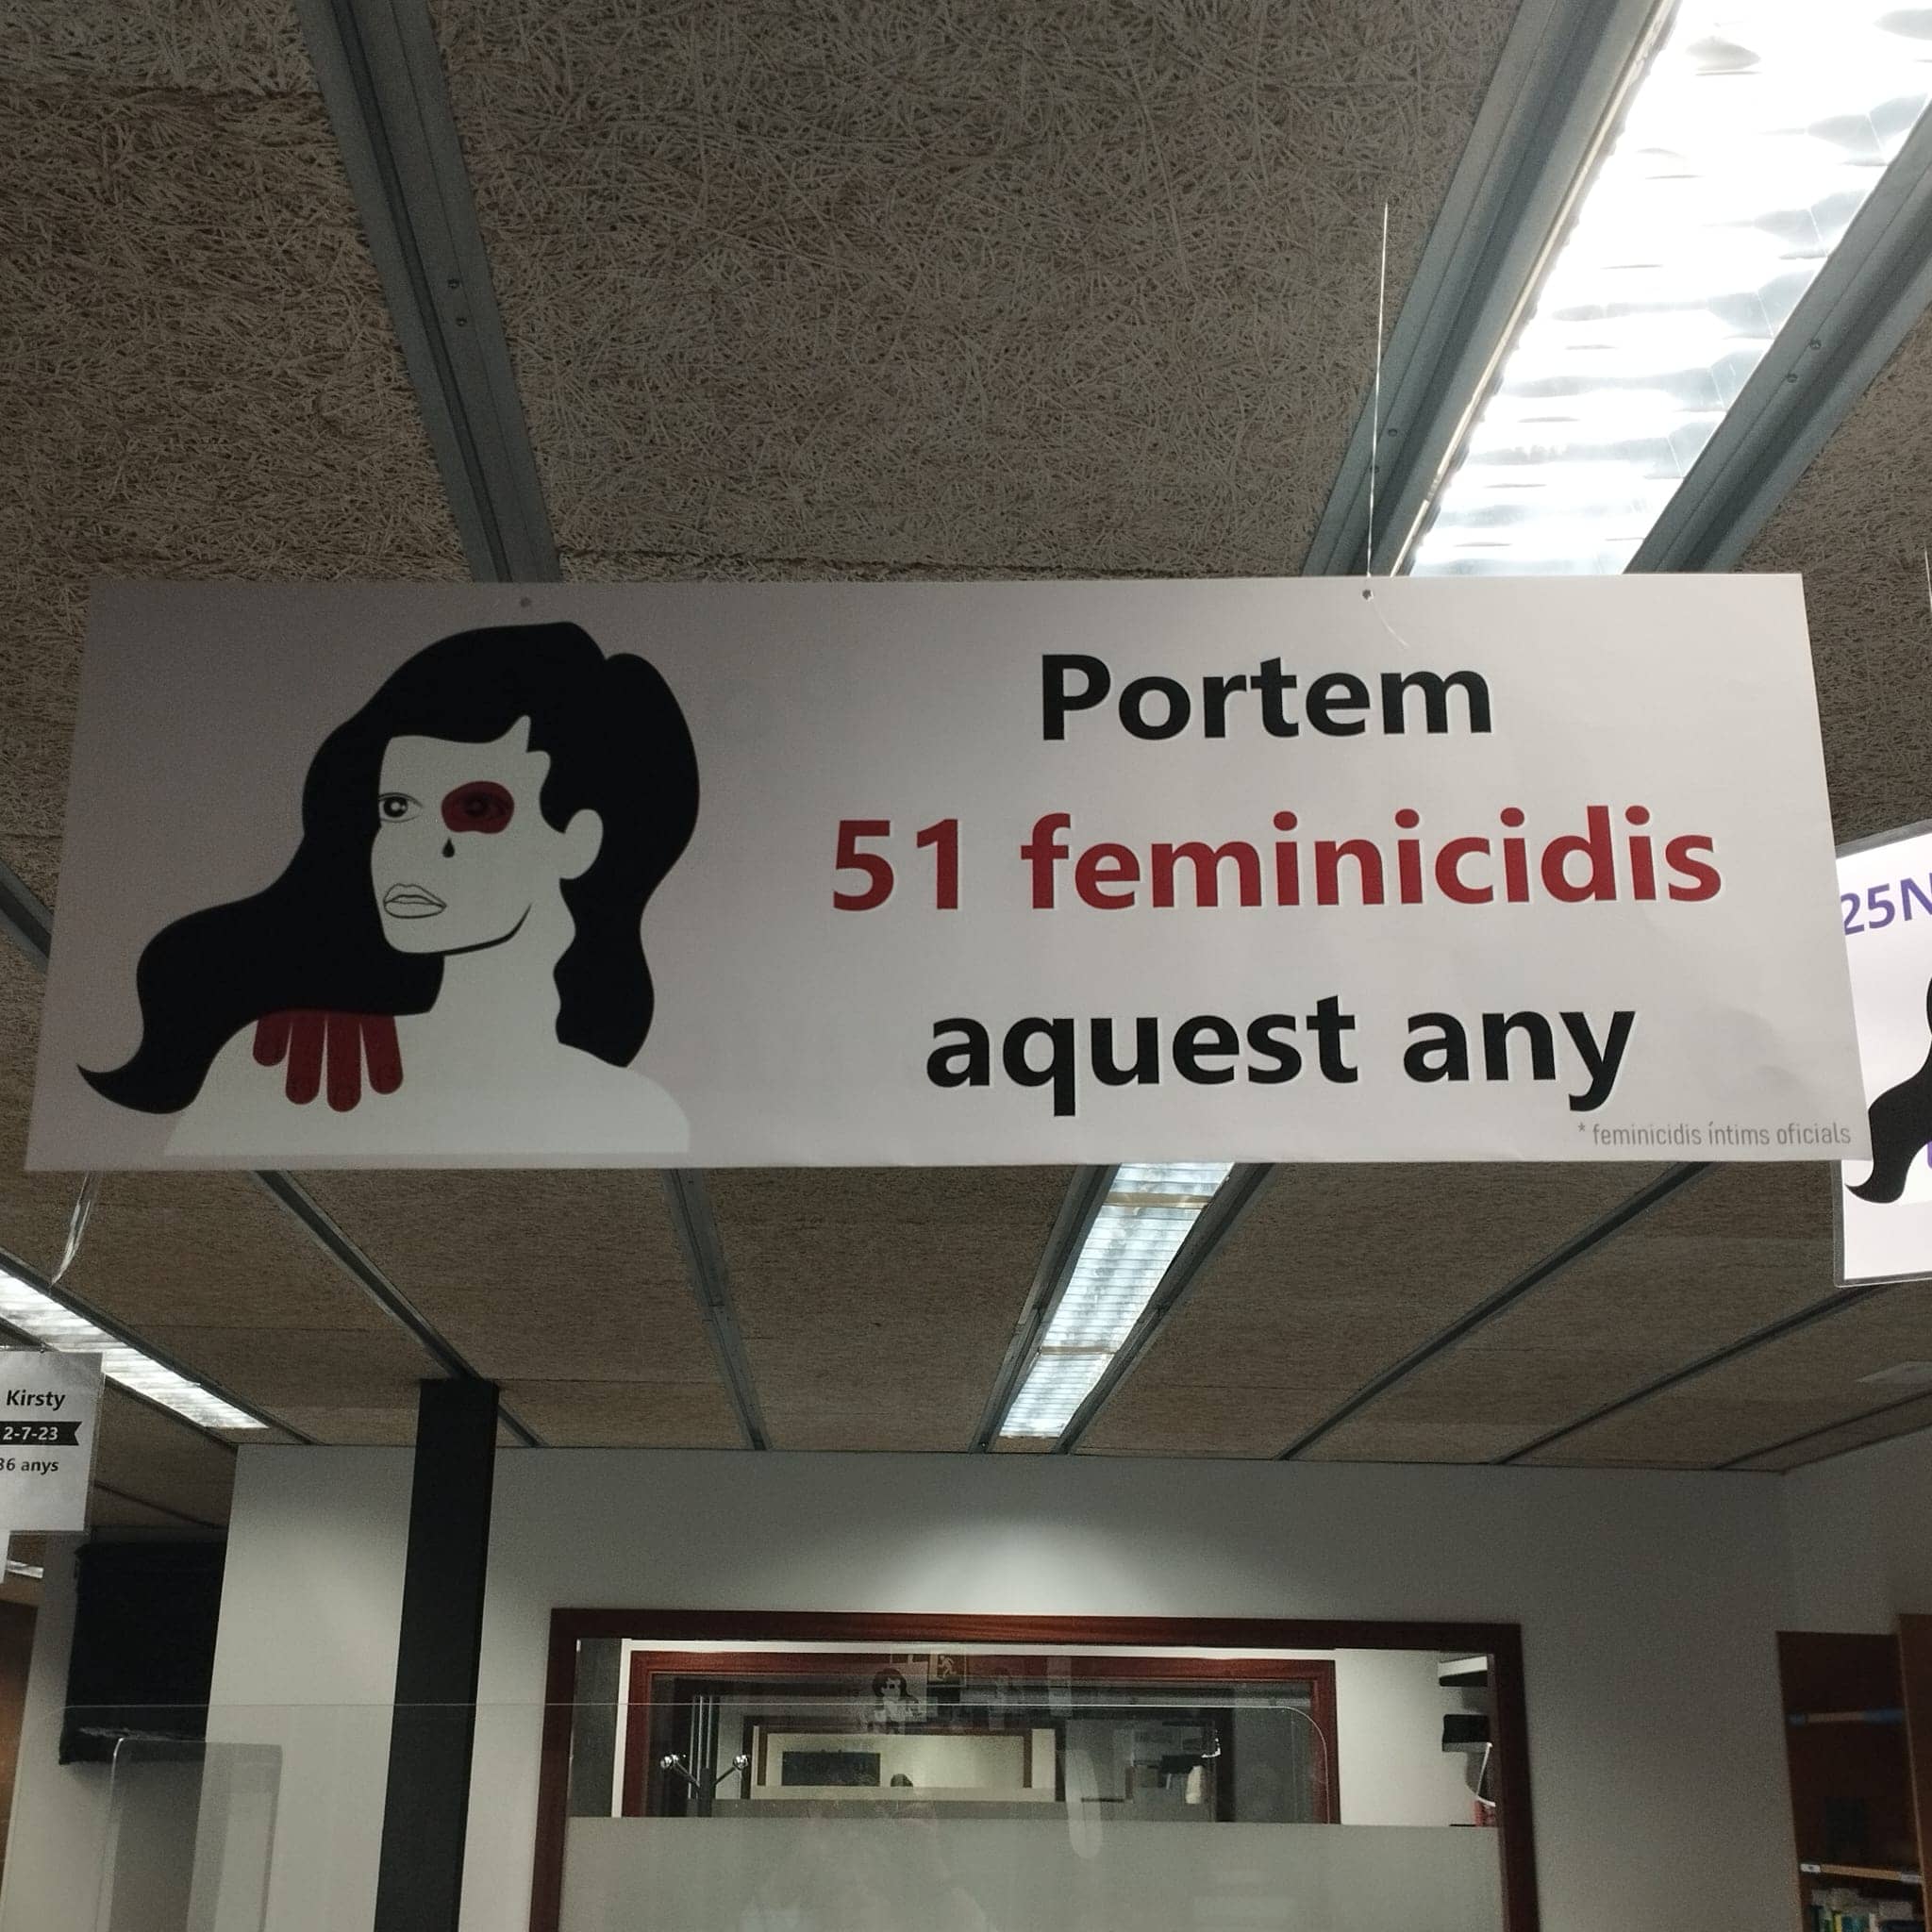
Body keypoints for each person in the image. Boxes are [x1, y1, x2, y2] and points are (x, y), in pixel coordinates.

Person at [82, 622, 699, 1159]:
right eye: (397, 808)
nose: (412, 847)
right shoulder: (283, 1068)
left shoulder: (638, 1116)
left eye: (477, 807)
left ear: (578, 841)